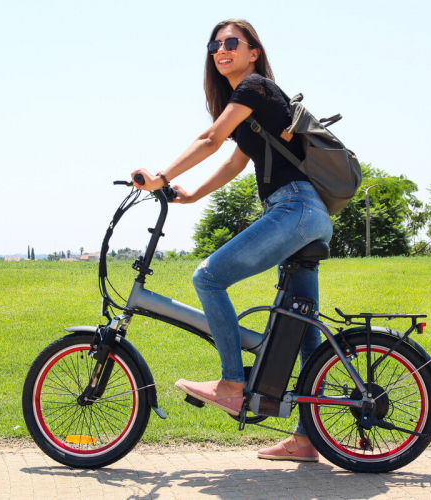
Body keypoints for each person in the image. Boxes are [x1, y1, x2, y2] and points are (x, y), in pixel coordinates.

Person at [131, 19, 332, 462]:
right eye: (214, 44)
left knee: (208, 277)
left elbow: (210, 138)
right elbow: (234, 163)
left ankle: (231, 384)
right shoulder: (257, 107)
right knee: (301, 327)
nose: (220, 50)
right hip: (310, 214)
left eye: (230, 43)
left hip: (293, 208)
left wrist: (162, 176)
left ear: (253, 52)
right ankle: (307, 438)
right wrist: (190, 195)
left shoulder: (256, 88)